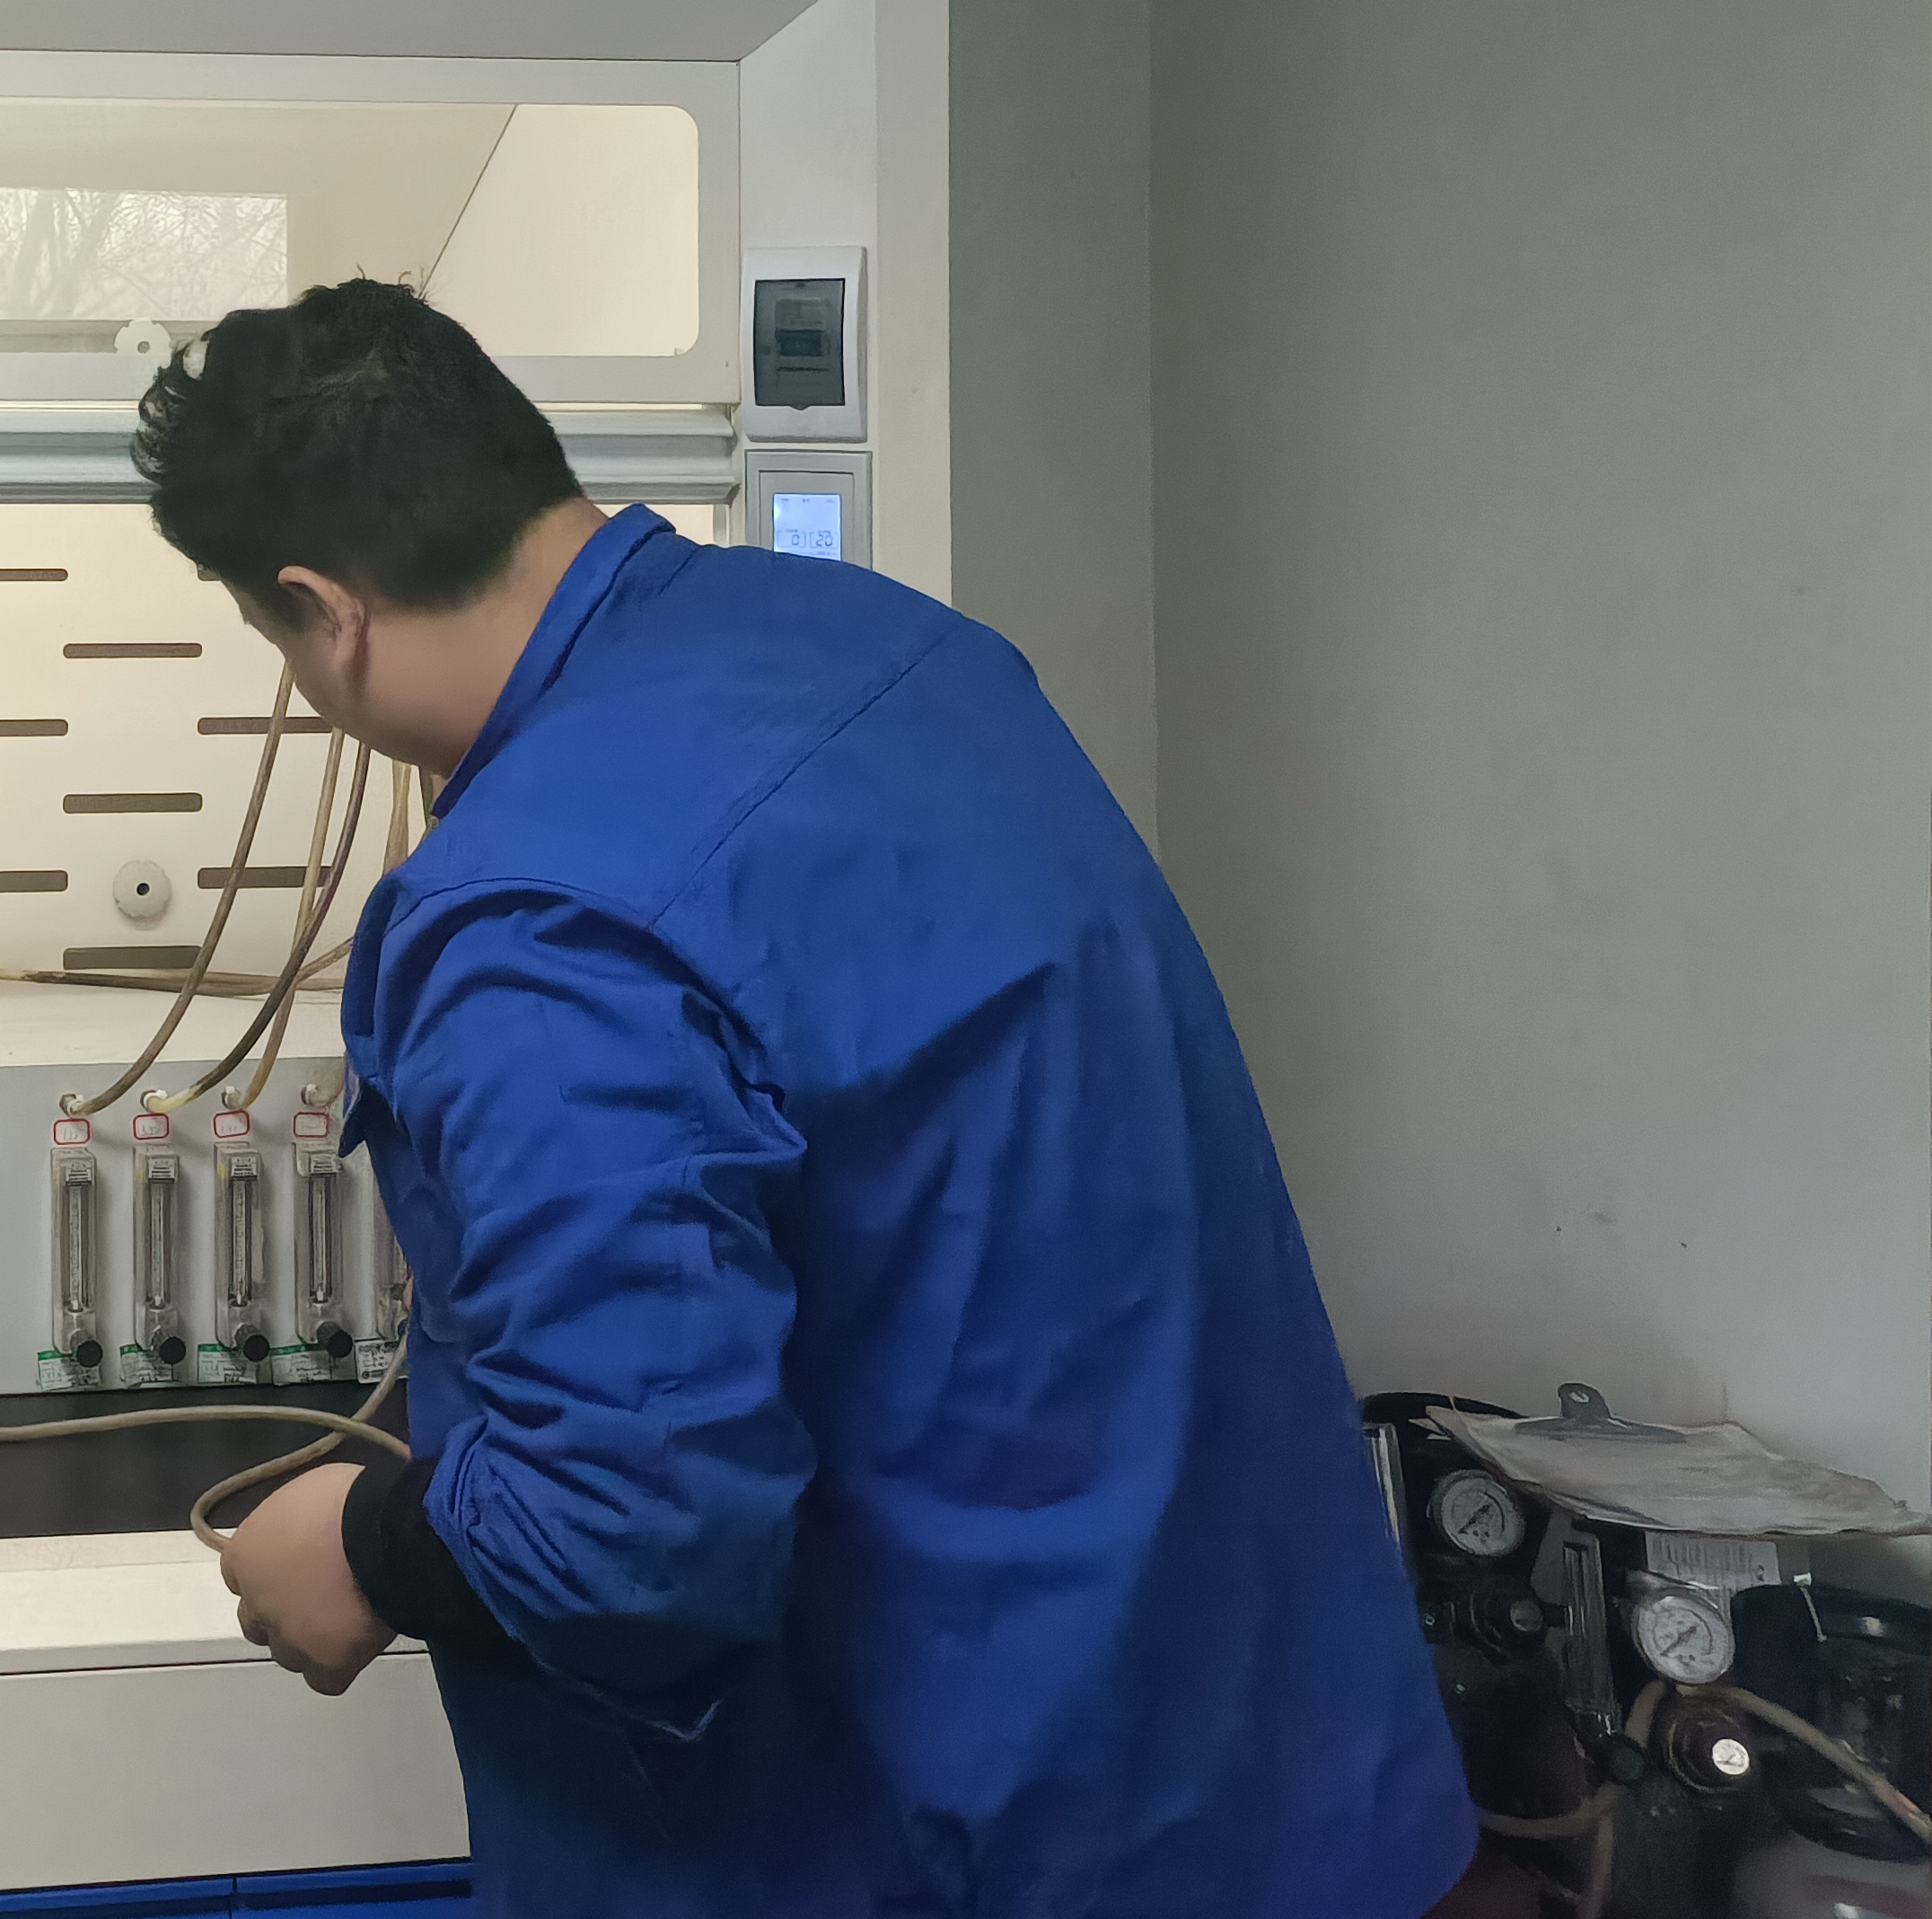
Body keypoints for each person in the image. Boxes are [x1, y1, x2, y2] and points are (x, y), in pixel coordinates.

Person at [141, 280, 1469, 1917]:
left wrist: (360, 1548)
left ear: (320, 609)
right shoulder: (902, 650)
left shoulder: (537, 915)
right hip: (1256, 1753)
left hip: (946, 1829)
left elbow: (619, 1524)